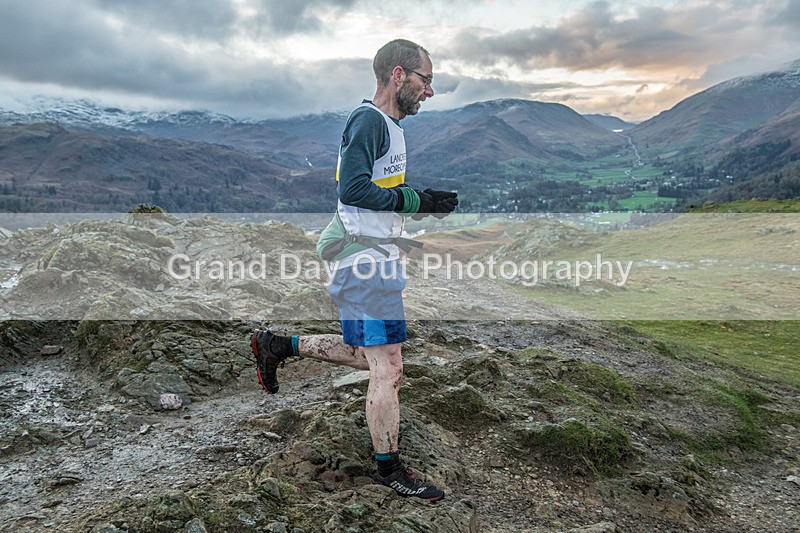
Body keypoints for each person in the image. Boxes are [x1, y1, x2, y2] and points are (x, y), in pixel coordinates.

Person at [250, 39, 458, 502]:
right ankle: (389, 469)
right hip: (364, 266)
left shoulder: (389, 126)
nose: (430, 91)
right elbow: (354, 189)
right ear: (399, 75)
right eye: (427, 80)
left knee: (365, 353)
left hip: (372, 257)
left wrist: (403, 223)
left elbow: (369, 198)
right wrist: (415, 200)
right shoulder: (369, 121)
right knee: (389, 366)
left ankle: (276, 345)